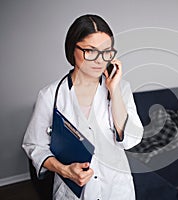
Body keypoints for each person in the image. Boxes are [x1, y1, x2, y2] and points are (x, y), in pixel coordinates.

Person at [22, 14, 144, 200]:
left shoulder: (121, 87)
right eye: (90, 51)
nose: (99, 60)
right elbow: (34, 145)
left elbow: (130, 140)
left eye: (106, 52)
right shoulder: (50, 95)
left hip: (116, 189)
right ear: (73, 49)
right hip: (72, 193)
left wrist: (115, 91)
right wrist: (65, 170)